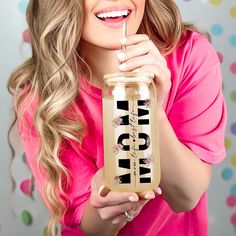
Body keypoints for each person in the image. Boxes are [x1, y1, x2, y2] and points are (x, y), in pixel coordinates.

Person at [8, 0, 227, 235]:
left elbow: (186, 196)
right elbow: (92, 228)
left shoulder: (190, 55)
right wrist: (108, 203)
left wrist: (152, 112)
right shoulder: (42, 98)